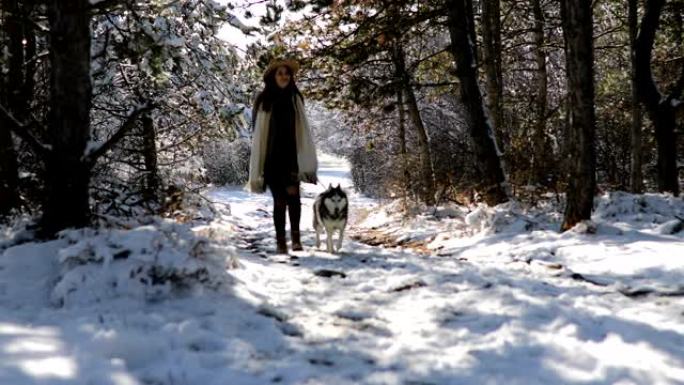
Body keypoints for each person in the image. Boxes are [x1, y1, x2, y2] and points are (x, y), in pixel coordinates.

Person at [247, 58, 318, 254]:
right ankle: (280, 242)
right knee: (279, 200)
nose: (284, 76)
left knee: (294, 197)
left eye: (287, 73)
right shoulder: (264, 100)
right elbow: (259, 133)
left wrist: (304, 159)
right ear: (273, 76)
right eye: (280, 73)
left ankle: (296, 239)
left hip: (291, 157)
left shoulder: (295, 98)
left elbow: (303, 129)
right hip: (271, 159)